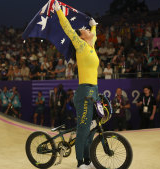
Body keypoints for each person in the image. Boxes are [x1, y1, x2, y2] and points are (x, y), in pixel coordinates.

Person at [55, 1, 99, 168]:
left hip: (94, 90)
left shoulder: (91, 46)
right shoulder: (80, 45)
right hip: (84, 91)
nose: (86, 30)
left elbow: (93, 35)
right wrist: (59, 11)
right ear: (81, 36)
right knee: (83, 128)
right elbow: (67, 28)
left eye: (86, 29)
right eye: (84, 30)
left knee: (93, 128)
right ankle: (80, 163)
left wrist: (93, 26)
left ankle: (88, 160)